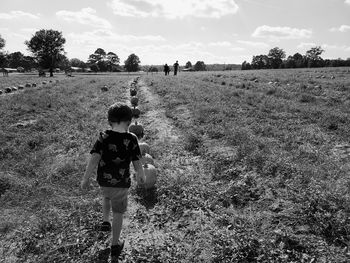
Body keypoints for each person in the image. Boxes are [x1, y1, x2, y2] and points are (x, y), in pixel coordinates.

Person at [81, 103, 145, 262]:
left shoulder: (103, 137)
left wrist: (86, 177)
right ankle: (115, 245)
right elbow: (137, 161)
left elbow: (94, 158)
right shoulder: (131, 139)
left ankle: (105, 221)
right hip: (121, 184)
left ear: (110, 121)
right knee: (118, 212)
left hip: (103, 182)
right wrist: (141, 174)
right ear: (129, 122)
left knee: (106, 197)